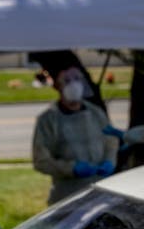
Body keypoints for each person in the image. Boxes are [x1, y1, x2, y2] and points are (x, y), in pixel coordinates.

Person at [32, 66, 118, 205]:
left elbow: (111, 141)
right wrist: (71, 169)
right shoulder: (48, 120)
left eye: (77, 79)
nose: (74, 84)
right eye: (67, 80)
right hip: (67, 198)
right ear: (57, 86)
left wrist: (109, 161)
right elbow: (41, 160)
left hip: (100, 195)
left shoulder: (96, 113)